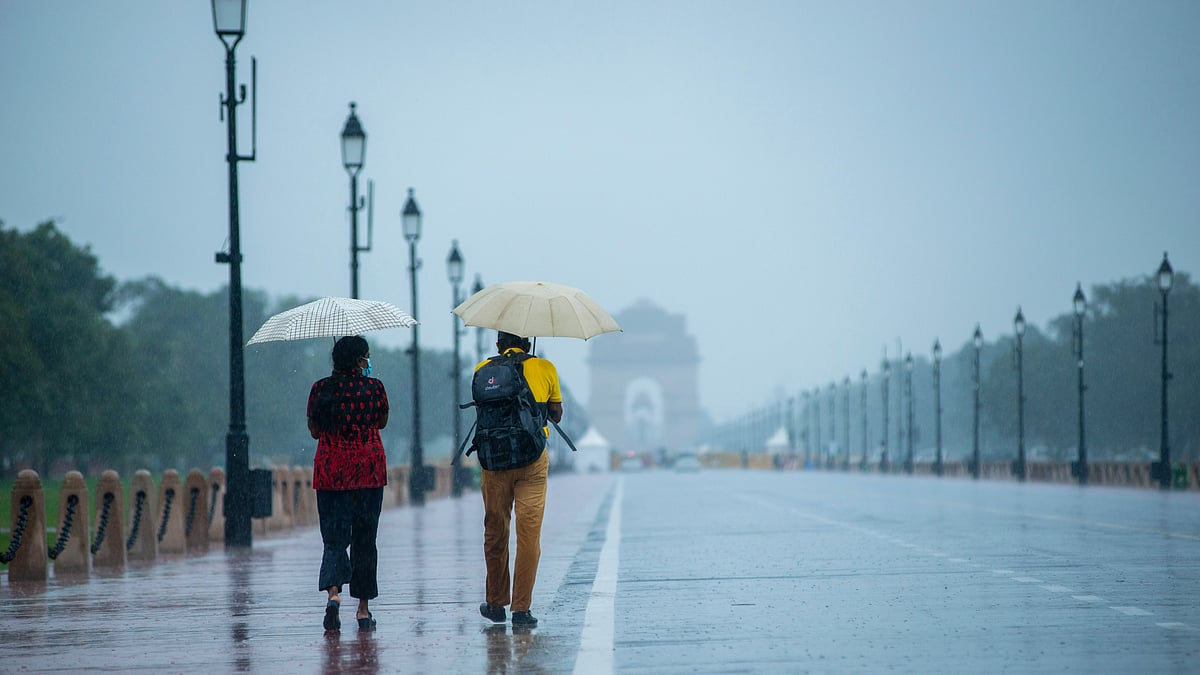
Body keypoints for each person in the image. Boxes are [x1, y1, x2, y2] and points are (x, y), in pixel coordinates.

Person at [476, 331, 562, 628]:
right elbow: (557, 413)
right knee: (528, 536)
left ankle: (496, 602)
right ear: (527, 343)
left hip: (494, 460)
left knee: (495, 531)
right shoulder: (545, 368)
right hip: (532, 459)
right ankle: (521, 609)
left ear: (499, 345)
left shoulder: (482, 370)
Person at [307, 335, 389, 632]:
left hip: (331, 473)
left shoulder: (320, 389)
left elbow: (315, 431)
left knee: (334, 538)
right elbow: (381, 422)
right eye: (366, 357)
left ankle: (333, 595)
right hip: (368, 472)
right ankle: (363, 612)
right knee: (365, 541)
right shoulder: (374, 387)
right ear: (358, 361)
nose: (369, 362)